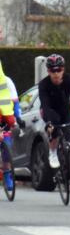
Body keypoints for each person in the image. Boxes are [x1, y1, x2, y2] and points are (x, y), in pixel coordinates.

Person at [38, 54, 70, 169]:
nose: (56, 74)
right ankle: (53, 151)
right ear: (48, 71)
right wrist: (49, 122)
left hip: (65, 110)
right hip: (49, 110)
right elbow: (45, 104)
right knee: (54, 123)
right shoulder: (43, 84)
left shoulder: (69, 80)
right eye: (52, 71)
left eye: (59, 70)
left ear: (63, 69)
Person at [0, 63, 25, 191]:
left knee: (7, 147)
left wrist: (18, 118)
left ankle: (7, 175)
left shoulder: (7, 81)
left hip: (4, 118)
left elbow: (15, 103)